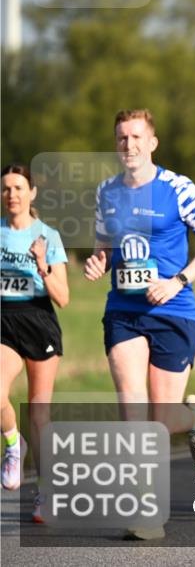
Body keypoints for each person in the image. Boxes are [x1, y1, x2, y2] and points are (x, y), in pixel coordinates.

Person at [83, 109, 195, 539]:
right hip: (123, 310)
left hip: (173, 310)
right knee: (133, 410)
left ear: (152, 142)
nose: (128, 144)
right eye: (122, 137)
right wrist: (97, 261)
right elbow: (103, 247)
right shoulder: (106, 192)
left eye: (136, 137)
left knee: (161, 418)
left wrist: (177, 280)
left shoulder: (178, 188)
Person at [1, 164, 70, 524]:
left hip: (40, 322)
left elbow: (63, 298)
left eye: (18, 187)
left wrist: (42, 265)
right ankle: (14, 445)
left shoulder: (48, 235)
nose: (12, 194)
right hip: (4, 322)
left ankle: (45, 490)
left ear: (32, 193)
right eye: (6, 189)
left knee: (39, 415)